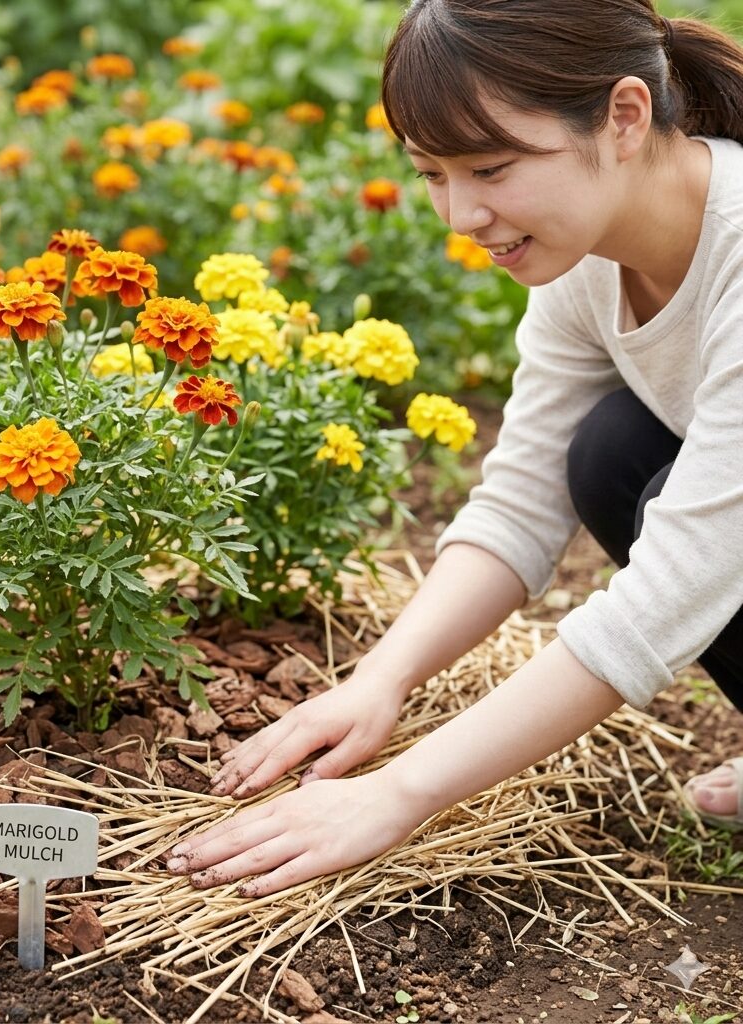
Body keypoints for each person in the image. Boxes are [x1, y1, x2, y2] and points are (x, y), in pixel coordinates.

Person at [165, 0, 743, 897]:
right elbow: (519, 501)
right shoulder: (590, 256)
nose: (460, 214)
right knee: (606, 453)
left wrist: (398, 794)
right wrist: (379, 681)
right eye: (432, 173)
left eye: (492, 167)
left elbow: (680, 585)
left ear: (625, 117)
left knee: (657, 481)